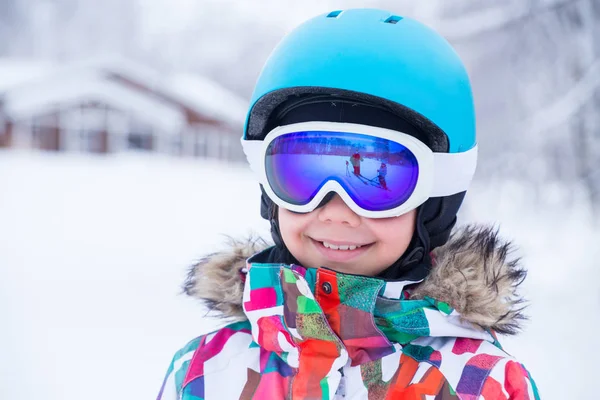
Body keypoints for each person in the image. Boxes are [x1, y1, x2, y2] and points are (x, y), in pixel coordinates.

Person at [157, 9, 539, 400]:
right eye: (304, 171)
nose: (336, 211)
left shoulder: (483, 383)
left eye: (379, 177)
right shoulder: (207, 370)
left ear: (435, 202)